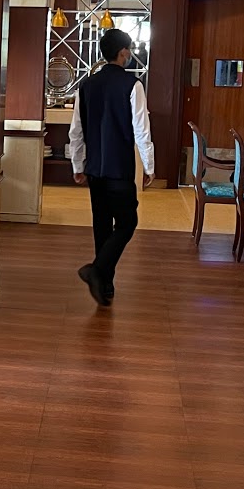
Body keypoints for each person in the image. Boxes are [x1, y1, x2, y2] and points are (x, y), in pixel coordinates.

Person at [68, 28, 156, 307]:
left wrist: (77, 163)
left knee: (102, 225)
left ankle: (105, 285)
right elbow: (141, 130)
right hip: (119, 170)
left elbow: (76, 131)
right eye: (128, 49)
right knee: (128, 223)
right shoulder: (133, 85)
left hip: (94, 169)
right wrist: (149, 166)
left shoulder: (86, 85)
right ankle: (97, 272)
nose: (129, 54)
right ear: (123, 52)